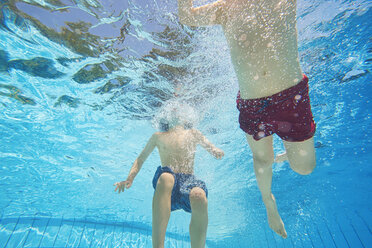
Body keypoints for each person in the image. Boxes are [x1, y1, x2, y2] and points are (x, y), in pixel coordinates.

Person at [178, 0, 316, 238]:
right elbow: (188, 17)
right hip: (254, 106)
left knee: (304, 168)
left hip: (290, 99)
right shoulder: (224, 7)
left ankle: (287, 155)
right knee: (262, 159)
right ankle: (269, 204)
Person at [114, 101, 224, 248]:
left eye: (180, 109)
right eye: (172, 109)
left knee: (199, 195)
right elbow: (140, 158)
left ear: (186, 118)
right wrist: (129, 178)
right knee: (167, 177)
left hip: (188, 180)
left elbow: (209, 146)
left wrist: (215, 150)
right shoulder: (158, 136)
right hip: (166, 185)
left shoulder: (193, 133)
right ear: (165, 118)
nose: (176, 109)